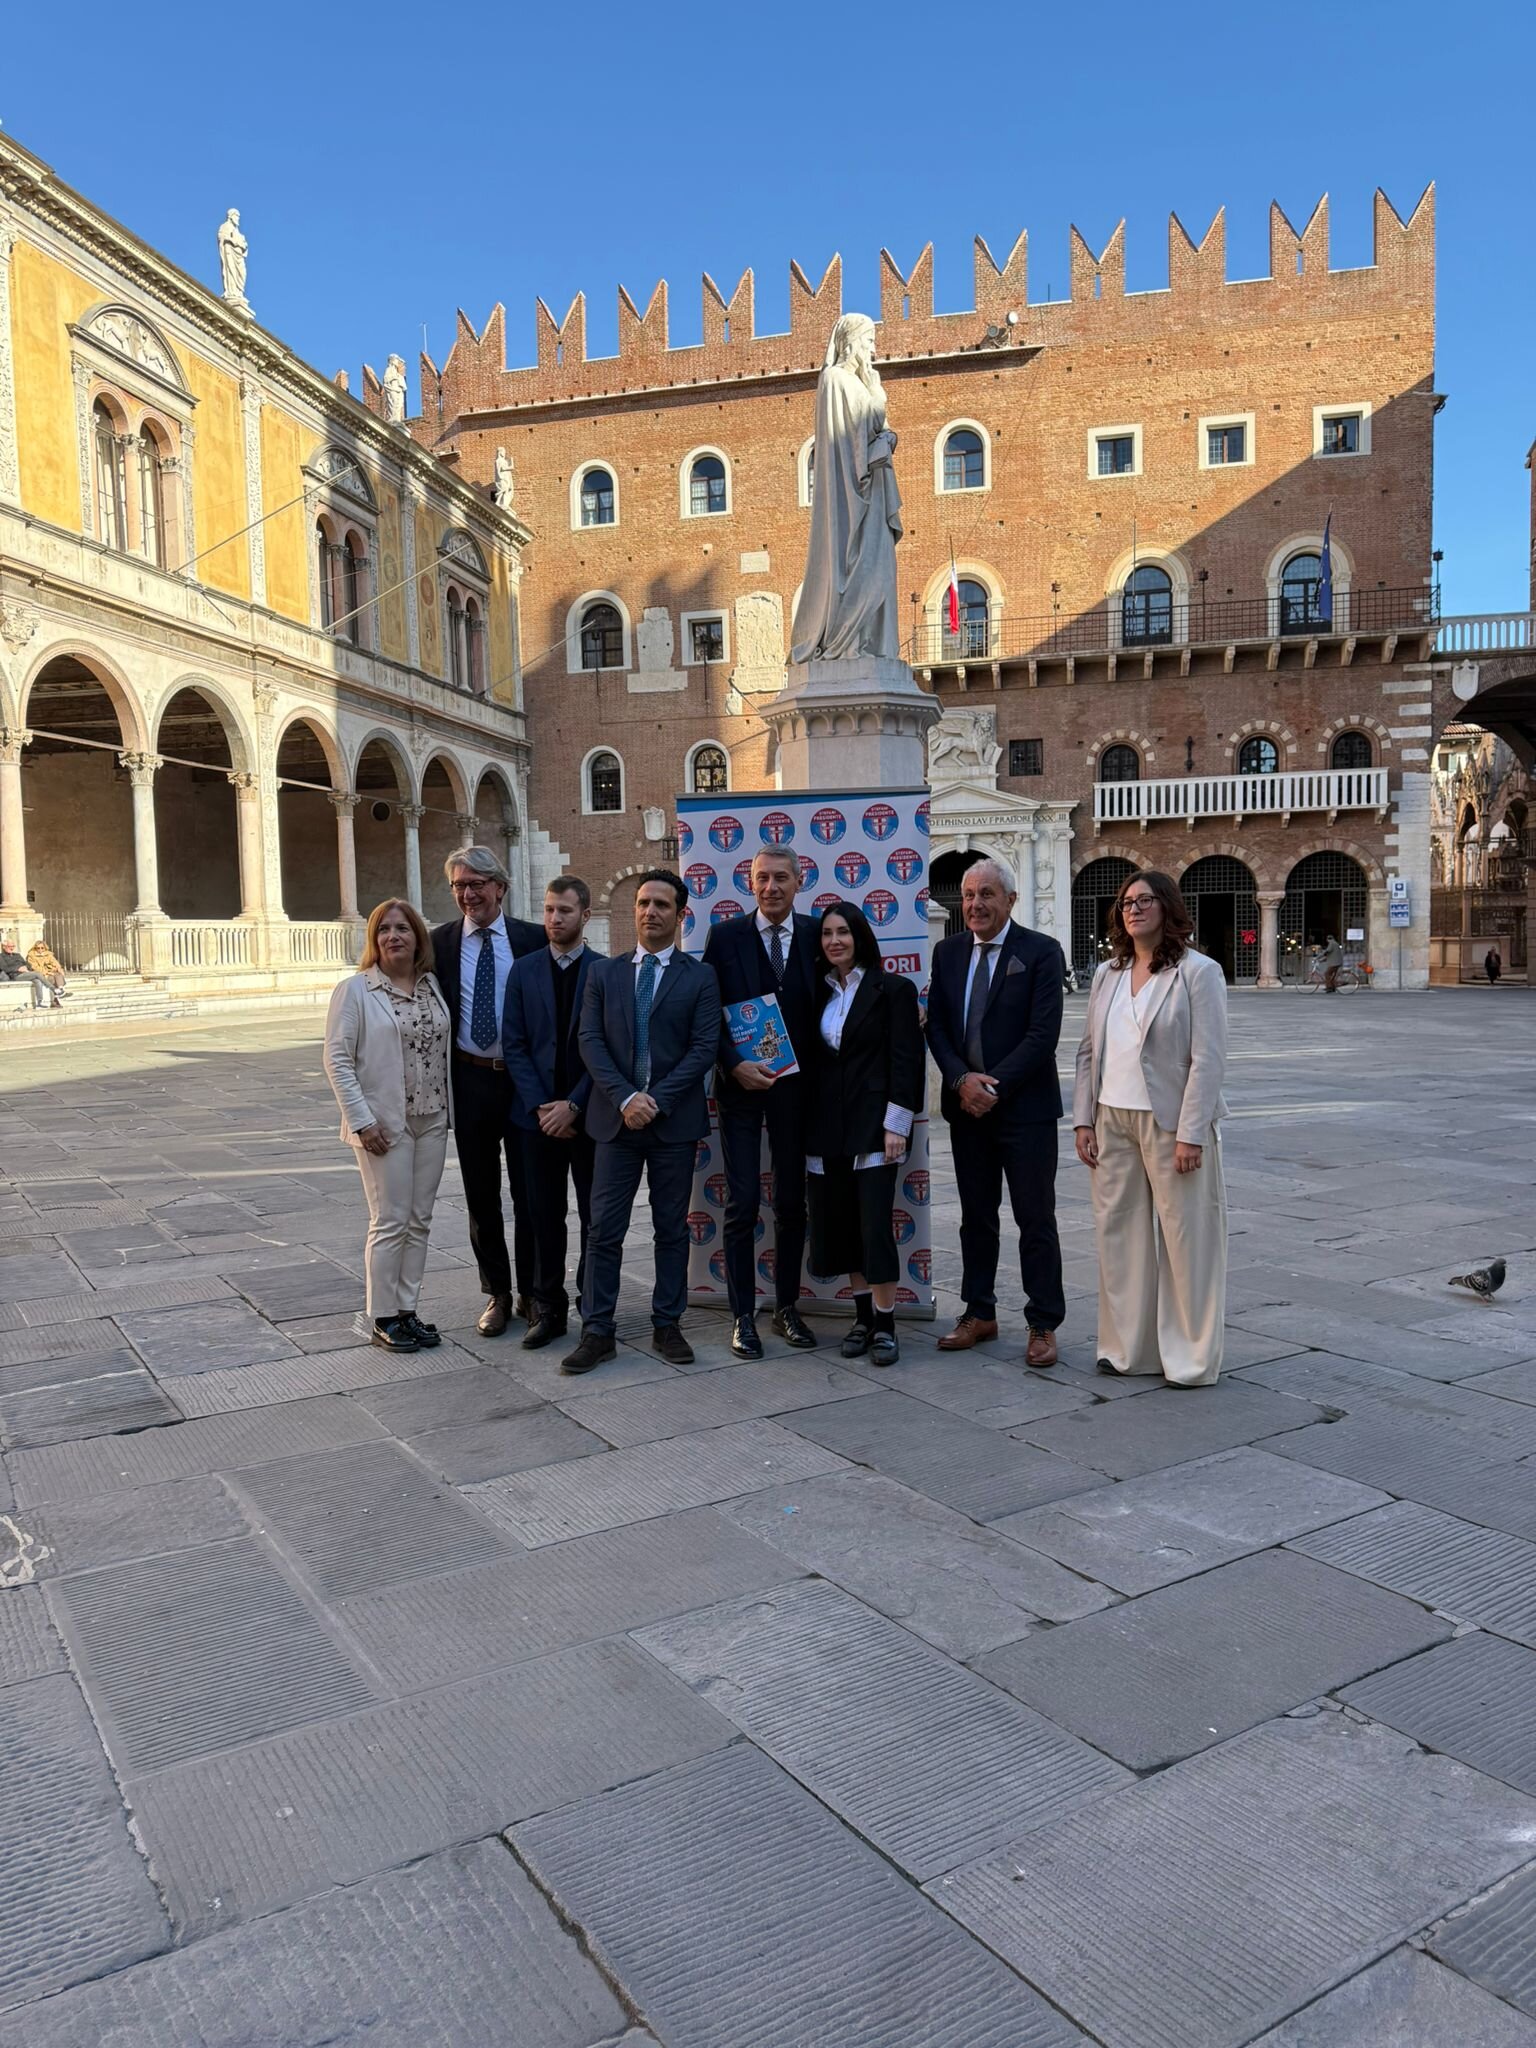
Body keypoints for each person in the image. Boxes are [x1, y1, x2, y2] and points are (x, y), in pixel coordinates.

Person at [1073, 869, 1230, 1388]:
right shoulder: (1107, 974)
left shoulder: (1198, 972)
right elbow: (1088, 1051)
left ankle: (1190, 1357)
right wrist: (1083, 1119)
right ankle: (1127, 1349)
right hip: (1111, 1118)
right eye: (1125, 902)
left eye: (1144, 900)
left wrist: (1192, 1132)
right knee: (1119, 1238)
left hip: (1170, 1123)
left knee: (1187, 1241)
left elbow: (1207, 1060)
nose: (1133, 909)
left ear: (1167, 906)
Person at [563, 869, 720, 1376]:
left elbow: (703, 1050)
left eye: (662, 905)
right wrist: (627, 1096)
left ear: (680, 915)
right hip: (615, 1122)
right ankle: (598, 1331)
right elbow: (591, 1042)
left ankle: (667, 1322)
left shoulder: (700, 977)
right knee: (603, 1229)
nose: (650, 912)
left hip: (672, 1123)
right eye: (643, 903)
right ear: (633, 910)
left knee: (670, 1229)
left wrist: (655, 1100)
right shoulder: (603, 975)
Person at [924, 858, 1066, 1367]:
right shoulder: (947, 952)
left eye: (987, 894)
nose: (976, 904)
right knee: (975, 1218)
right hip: (968, 1112)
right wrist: (962, 1081)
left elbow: (1042, 1035)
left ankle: (1043, 1322)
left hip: (1024, 1111)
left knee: (1035, 1218)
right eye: (968, 895)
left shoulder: (1042, 952)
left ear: (1010, 900)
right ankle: (978, 1312)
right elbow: (936, 1026)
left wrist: (992, 1086)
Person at [702, 843, 819, 1358]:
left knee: (792, 1202)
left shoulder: (821, 936)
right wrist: (732, 1063)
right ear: (749, 884)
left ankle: (786, 1306)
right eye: (761, 878)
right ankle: (742, 1315)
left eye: (780, 878)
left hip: (801, 1092)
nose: (770, 887)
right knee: (743, 1200)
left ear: (799, 882)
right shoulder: (725, 937)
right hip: (741, 1088)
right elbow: (707, 1013)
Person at [324, 899, 453, 1354]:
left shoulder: (431, 985)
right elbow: (337, 1060)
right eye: (384, 930)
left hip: (432, 1119)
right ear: (374, 940)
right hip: (382, 1125)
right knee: (390, 1220)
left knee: (419, 1220)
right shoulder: (356, 990)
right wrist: (361, 1121)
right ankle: (381, 1316)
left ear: (418, 937)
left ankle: (407, 1310)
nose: (394, 936)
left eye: (403, 928)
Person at [430, 845, 543, 1336]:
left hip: (522, 1082)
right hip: (470, 1079)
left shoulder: (534, 940)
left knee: (532, 1194)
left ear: (500, 886)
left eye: (477, 884)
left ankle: (534, 1292)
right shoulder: (437, 944)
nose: (468, 894)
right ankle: (497, 1292)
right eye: (459, 886)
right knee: (481, 1196)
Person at [805, 902, 925, 1367]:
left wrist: (896, 1124)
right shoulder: (817, 993)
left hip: (875, 1126)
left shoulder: (893, 988)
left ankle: (886, 1326)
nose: (835, 941)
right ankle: (860, 1320)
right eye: (827, 934)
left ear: (860, 936)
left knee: (875, 1227)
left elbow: (906, 1059)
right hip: (825, 1129)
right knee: (841, 1227)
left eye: (844, 932)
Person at [503, 876, 601, 1351]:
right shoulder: (522, 972)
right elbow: (515, 1045)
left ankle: (592, 1303)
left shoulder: (606, 972)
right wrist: (544, 1107)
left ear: (585, 915)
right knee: (542, 1214)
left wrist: (575, 1105)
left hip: (589, 1117)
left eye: (563, 911)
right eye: (547, 910)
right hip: (535, 1118)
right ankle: (548, 1307)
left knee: (593, 1215)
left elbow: (608, 1050)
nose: (553, 919)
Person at [0, 933, 55, 1009]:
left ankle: (39, 1003)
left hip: (25, 973)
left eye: (13, 946)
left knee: (37, 981)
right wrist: (18, 969)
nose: (12, 948)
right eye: (10, 946)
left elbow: (28, 964)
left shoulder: (17, 955)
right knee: (37, 974)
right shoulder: (1, 956)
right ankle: (54, 989)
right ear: (4, 947)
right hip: (15, 976)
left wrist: (25, 967)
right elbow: (4, 969)